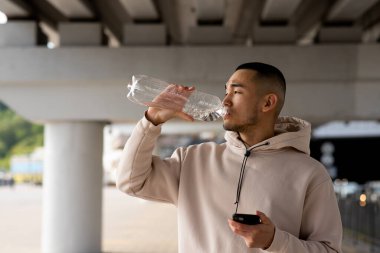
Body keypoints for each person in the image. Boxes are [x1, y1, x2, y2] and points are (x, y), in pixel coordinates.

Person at [117, 62, 343, 252]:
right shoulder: (193, 159)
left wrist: (275, 242)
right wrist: (152, 120)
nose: (225, 101)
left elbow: (329, 249)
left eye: (236, 92)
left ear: (267, 103)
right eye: (226, 91)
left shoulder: (310, 173)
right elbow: (131, 182)